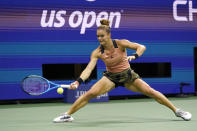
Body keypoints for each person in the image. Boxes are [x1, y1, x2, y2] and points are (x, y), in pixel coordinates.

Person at [53, 19, 192, 123]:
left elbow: (141, 47)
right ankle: (68, 115)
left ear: (108, 35)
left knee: (151, 92)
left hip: (128, 75)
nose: (100, 39)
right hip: (111, 78)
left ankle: (177, 111)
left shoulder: (120, 43)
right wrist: (78, 81)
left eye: (102, 36)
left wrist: (135, 55)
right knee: (90, 93)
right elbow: (89, 69)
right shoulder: (97, 52)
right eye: (98, 36)